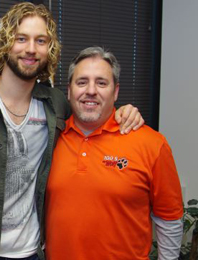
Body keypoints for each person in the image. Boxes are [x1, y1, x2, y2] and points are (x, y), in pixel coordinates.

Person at [0, 3, 143, 260]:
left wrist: (123, 111)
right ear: (6, 43)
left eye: (41, 41)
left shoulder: (56, 105)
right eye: (21, 38)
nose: (30, 49)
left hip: (36, 252)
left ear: (49, 49)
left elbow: (92, 116)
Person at [45, 46, 184, 260]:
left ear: (116, 91)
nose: (91, 90)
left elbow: (170, 220)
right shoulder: (50, 138)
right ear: (69, 91)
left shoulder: (151, 144)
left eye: (101, 83)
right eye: (82, 82)